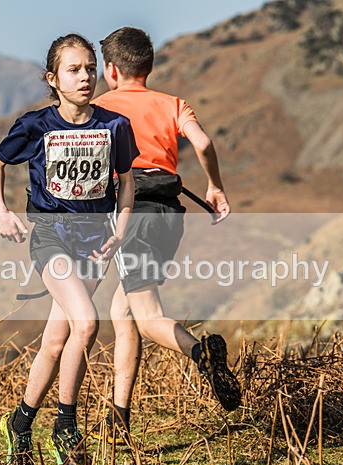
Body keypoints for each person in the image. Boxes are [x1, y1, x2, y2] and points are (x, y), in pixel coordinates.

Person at [0, 33, 138, 465]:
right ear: (53, 79)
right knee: (87, 322)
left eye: (90, 68)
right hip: (50, 235)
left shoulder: (114, 126)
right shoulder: (36, 126)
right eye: (73, 70)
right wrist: (2, 211)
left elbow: (126, 182)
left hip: (95, 241)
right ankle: (66, 427)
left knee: (56, 342)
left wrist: (120, 232)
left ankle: (19, 423)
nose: (85, 77)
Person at [91, 26, 241, 443]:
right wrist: (215, 187)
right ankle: (119, 417)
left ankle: (202, 353)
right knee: (124, 312)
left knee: (147, 314)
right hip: (168, 215)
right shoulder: (173, 103)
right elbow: (204, 143)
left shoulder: (100, 109)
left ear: (111, 70)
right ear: (149, 66)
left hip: (131, 214)